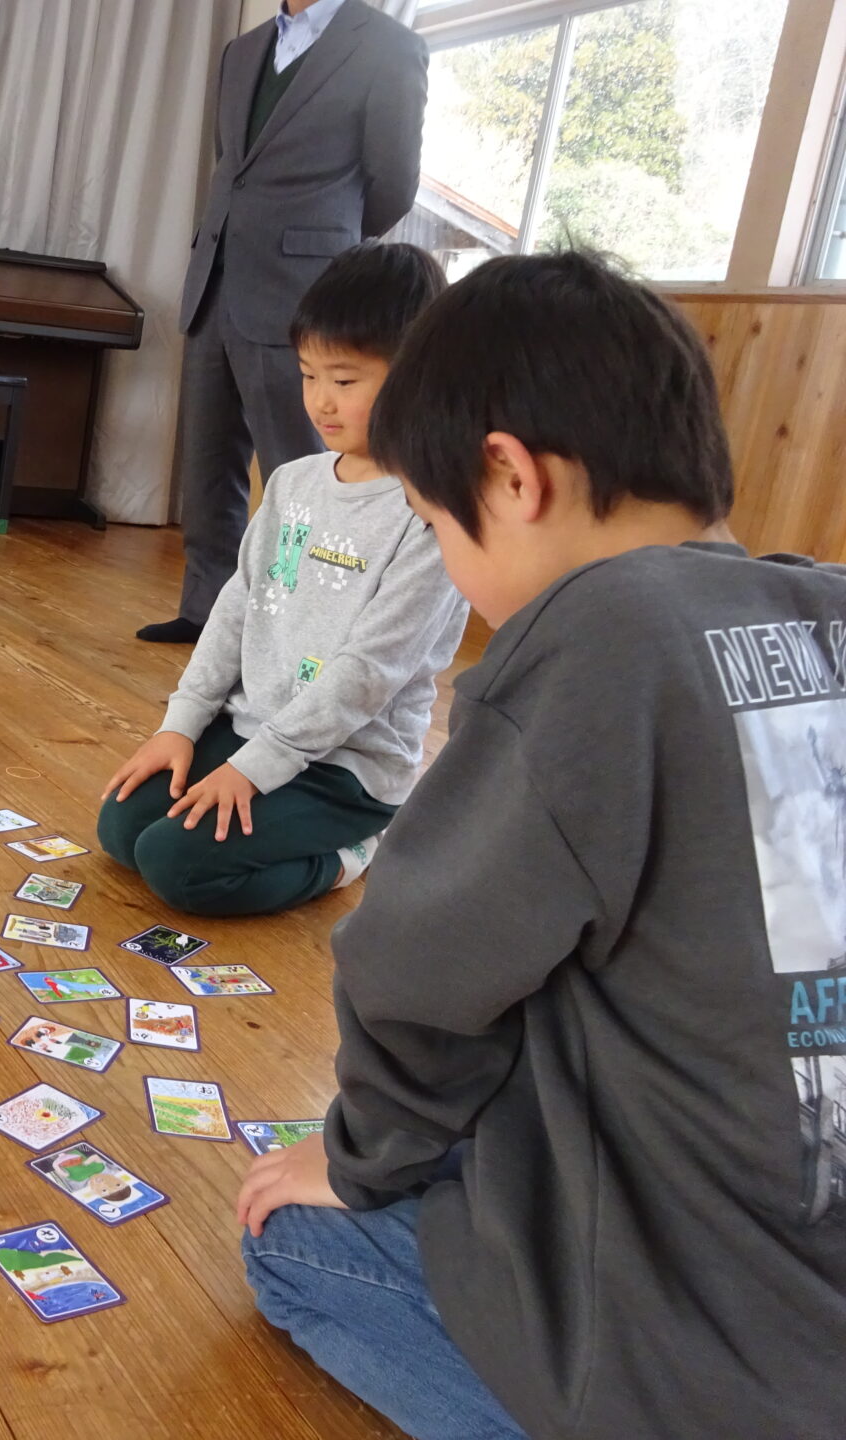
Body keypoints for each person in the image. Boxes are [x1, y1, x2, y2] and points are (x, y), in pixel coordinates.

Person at [235, 251, 846, 1440]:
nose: (456, 580)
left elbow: (412, 976)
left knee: (292, 1241)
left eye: (432, 522)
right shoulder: (826, 605)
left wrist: (357, 1161)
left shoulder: (599, 639)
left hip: (707, 1359)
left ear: (507, 477)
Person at [98, 242, 463, 916]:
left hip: (344, 771)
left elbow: (367, 672)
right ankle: (248, 793)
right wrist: (180, 725)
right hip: (250, 730)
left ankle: (351, 852)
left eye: (345, 381)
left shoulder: (431, 511)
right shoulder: (293, 482)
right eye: (308, 375)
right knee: (121, 829)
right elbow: (237, 608)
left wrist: (258, 769)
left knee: (179, 866)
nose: (321, 401)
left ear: (418, 378)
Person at [140, 0, 426, 643]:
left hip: (304, 290)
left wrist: (323, 247)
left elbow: (394, 183)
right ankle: (206, 611)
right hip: (215, 277)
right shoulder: (240, 52)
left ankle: (302, 623)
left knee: (302, 471)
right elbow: (231, 165)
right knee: (207, 459)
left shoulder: (386, 46)